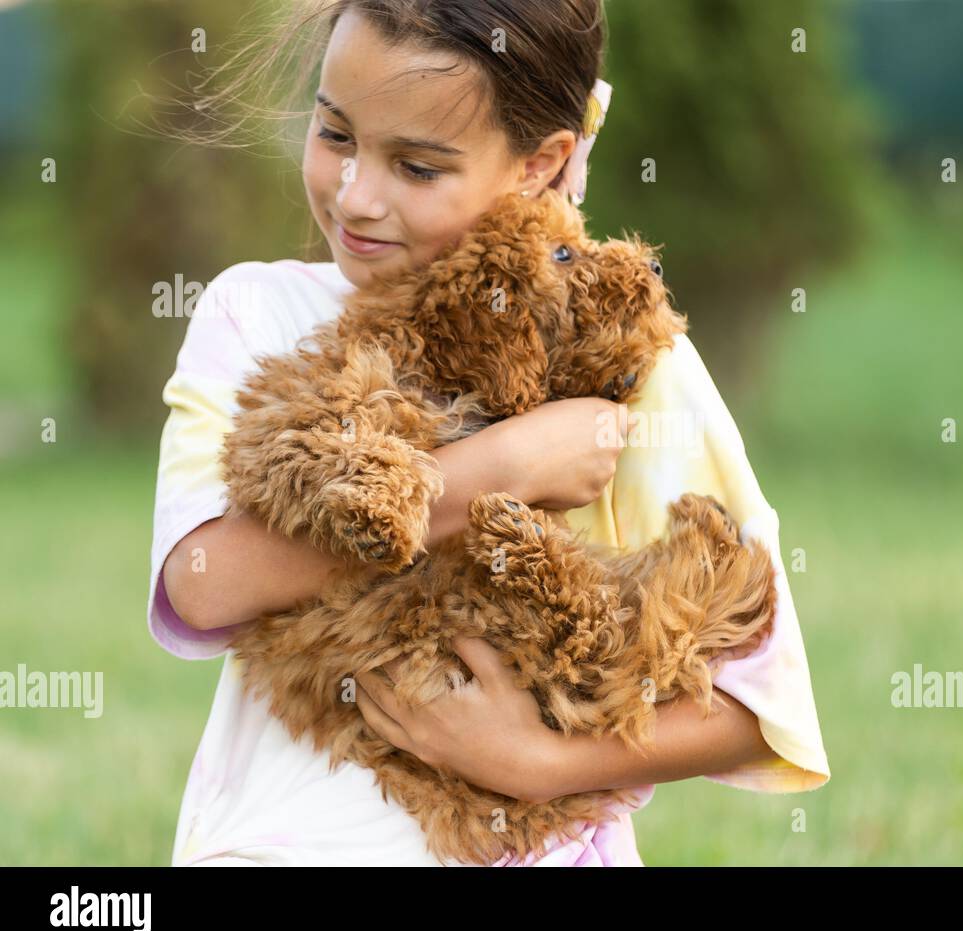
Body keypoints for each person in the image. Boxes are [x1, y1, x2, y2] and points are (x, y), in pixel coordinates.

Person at [148, 0, 829, 866]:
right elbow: (205, 583)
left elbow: (760, 701)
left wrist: (540, 762)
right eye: (334, 135)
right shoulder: (255, 312)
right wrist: (500, 466)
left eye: (418, 167)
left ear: (540, 164)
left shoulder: (620, 358)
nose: (357, 195)